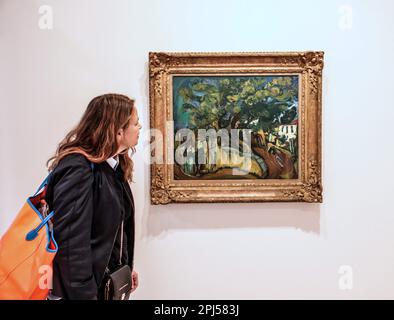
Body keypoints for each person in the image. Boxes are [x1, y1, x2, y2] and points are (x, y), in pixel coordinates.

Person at [44, 93, 142, 300]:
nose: (140, 127)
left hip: (103, 285)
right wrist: (86, 295)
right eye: (136, 122)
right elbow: (71, 245)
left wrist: (123, 267)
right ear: (117, 131)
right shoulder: (78, 168)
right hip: (81, 293)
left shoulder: (112, 167)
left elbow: (112, 229)